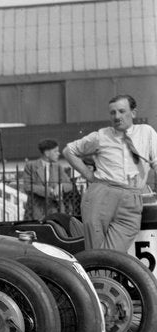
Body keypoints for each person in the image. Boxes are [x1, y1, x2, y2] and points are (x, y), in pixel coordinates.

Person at [63, 95, 157, 251]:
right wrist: (89, 175)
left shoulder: (146, 132)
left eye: (121, 111)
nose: (117, 116)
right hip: (102, 196)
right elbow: (69, 151)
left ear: (133, 113)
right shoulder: (101, 136)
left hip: (132, 198)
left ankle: (98, 274)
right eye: (113, 113)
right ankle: (97, 275)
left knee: (113, 254)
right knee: (97, 251)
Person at [21, 138, 75, 220]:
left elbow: (69, 185)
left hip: (55, 209)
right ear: (47, 153)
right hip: (36, 210)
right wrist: (50, 191)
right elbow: (27, 187)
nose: (58, 153)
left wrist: (61, 186)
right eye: (55, 151)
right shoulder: (31, 166)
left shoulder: (58, 167)